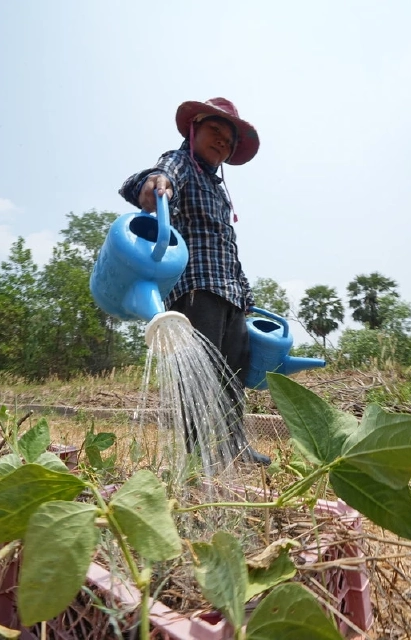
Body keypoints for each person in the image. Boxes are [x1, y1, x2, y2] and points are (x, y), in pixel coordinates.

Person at [119, 97, 269, 466]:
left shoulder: (218, 191)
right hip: (195, 292)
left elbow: (227, 250)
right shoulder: (180, 162)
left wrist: (246, 297)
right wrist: (153, 183)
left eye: (228, 139)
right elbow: (155, 176)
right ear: (193, 131)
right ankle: (202, 454)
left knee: (231, 378)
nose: (221, 141)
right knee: (198, 382)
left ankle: (234, 445)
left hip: (230, 295)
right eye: (214, 131)